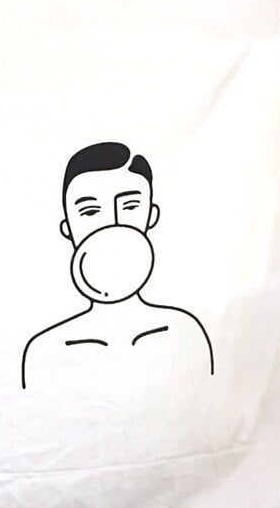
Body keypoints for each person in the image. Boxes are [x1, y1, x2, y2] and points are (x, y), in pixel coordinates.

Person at [21, 142, 213, 389]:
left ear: (151, 215)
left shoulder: (184, 332)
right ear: (67, 227)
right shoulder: (46, 349)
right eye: (90, 211)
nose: (112, 222)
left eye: (130, 206)